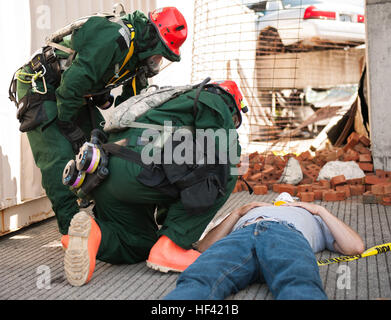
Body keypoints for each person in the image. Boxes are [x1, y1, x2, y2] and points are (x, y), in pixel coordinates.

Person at [9, 7, 188, 237]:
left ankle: (110, 225)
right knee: (59, 159)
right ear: (152, 37)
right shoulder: (113, 39)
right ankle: (72, 234)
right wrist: (69, 128)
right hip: (42, 86)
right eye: (160, 53)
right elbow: (69, 89)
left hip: (72, 93)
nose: (158, 61)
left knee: (102, 149)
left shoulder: (138, 57)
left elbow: (130, 109)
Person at [62, 80, 248, 286]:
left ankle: (95, 235)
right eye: (234, 120)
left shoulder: (165, 100)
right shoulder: (215, 99)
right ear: (233, 105)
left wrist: (171, 222)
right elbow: (222, 155)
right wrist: (180, 233)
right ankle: (171, 247)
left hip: (102, 174)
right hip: (139, 169)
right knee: (226, 169)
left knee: (137, 242)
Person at [164, 193, 365, 300]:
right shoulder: (246, 212)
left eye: (289, 199)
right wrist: (237, 213)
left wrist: (319, 211)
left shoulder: (311, 216)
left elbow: (355, 246)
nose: (282, 198)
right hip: (241, 235)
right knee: (199, 279)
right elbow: (204, 247)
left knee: (298, 282)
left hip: (286, 236)